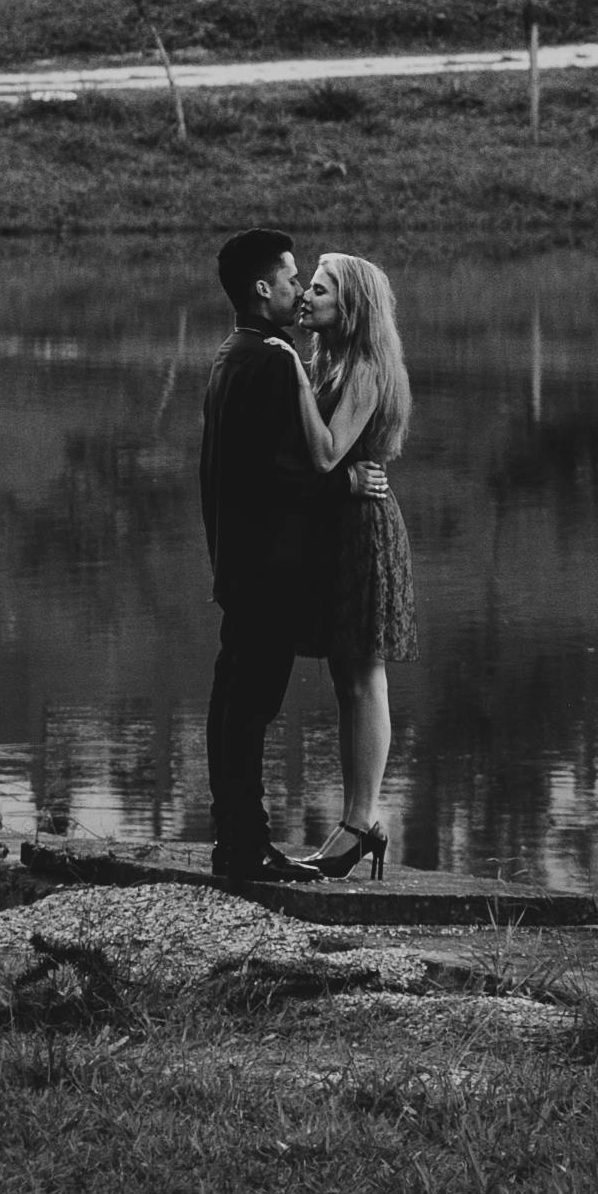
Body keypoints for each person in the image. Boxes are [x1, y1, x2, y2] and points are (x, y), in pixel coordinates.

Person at [200, 227, 388, 886]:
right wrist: (341, 482)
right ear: (262, 288)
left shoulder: (233, 352)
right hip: (269, 568)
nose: (297, 289)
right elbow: (275, 471)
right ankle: (245, 849)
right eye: (289, 278)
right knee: (248, 710)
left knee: (232, 706)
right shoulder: (276, 358)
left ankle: (239, 843)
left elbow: (232, 468)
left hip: (237, 563)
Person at [266, 251, 416, 882]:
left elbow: (327, 455)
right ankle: (359, 822)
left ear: (349, 305)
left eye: (320, 289)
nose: (307, 297)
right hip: (342, 530)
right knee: (348, 679)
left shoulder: (365, 368)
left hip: (364, 532)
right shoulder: (335, 359)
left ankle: (360, 823)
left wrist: (291, 370)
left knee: (363, 676)